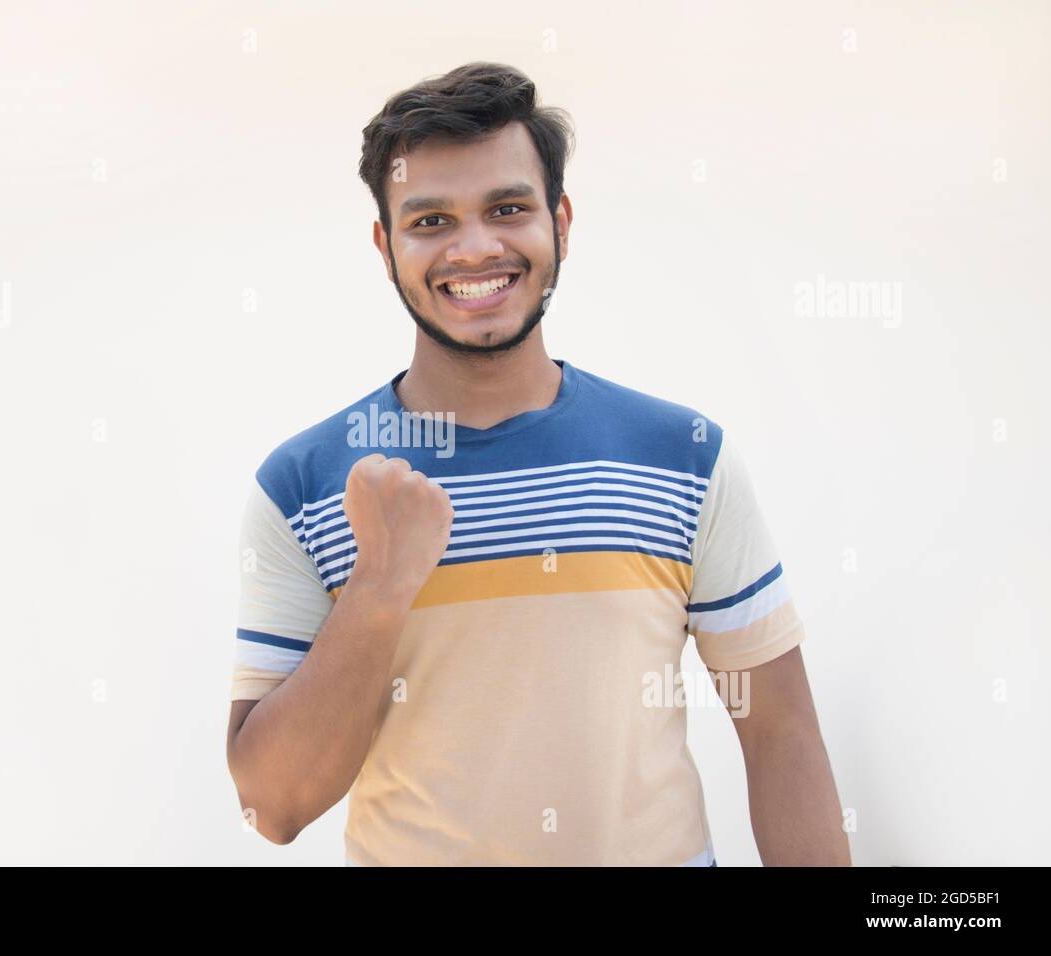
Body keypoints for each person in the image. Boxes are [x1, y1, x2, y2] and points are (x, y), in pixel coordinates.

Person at [226, 62, 850, 866]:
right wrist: (378, 591)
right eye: (431, 221)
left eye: (508, 208)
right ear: (386, 247)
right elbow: (273, 807)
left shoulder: (684, 457)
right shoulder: (304, 487)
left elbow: (783, 736)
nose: (475, 247)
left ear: (560, 220)